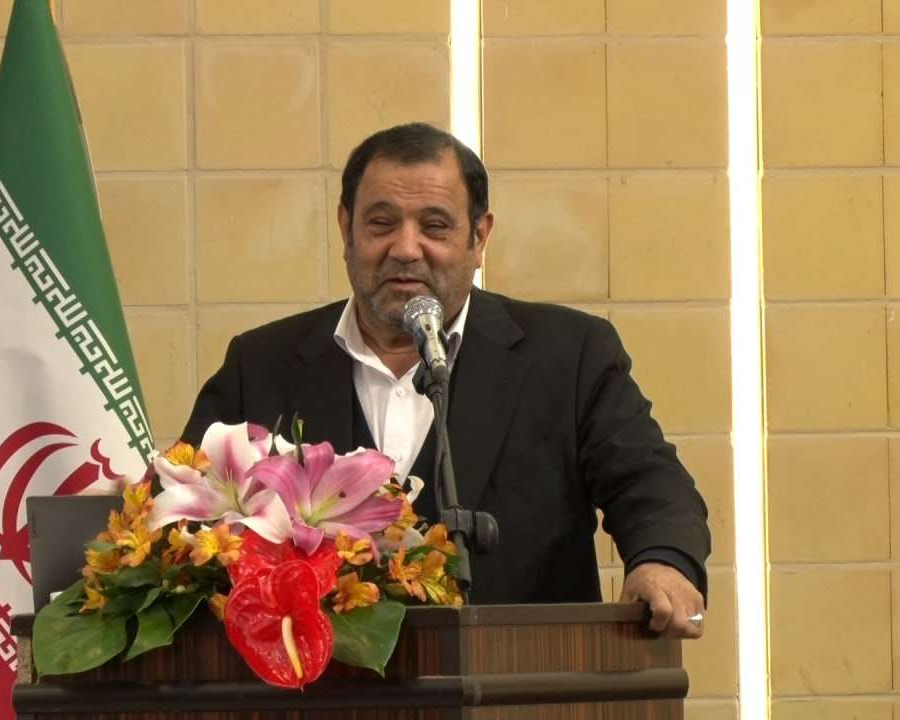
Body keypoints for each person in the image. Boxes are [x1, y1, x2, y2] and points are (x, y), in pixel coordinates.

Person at [180, 122, 709, 639]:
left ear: (479, 238)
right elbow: (183, 521)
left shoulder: (568, 355)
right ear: (346, 229)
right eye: (381, 223)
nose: (406, 248)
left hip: (524, 674)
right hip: (317, 682)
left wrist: (663, 561)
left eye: (434, 227)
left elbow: (648, 481)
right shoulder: (261, 364)